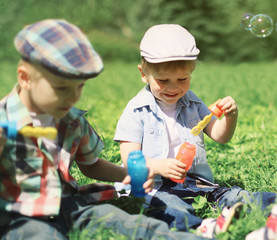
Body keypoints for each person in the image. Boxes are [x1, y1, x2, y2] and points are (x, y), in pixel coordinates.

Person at [113, 24, 277, 239]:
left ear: (191, 73)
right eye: (163, 80)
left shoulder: (192, 102)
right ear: (144, 74)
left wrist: (231, 116)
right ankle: (203, 228)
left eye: (182, 79)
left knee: (235, 196)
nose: (174, 87)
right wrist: (159, 166)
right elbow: (128, 158)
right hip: (152, 185)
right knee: (170, 208)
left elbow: (220, 136)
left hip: (194, 182)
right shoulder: (136, 109)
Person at [0, 19, 212, 240]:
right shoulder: (5, 122)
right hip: (20, 216)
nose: (73, 97)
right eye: (61, 89)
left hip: (69, 206)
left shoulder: (71, 120)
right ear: (25, 78)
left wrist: (129, 173)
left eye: (79, 87)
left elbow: (91, 166)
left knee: (128, 223)